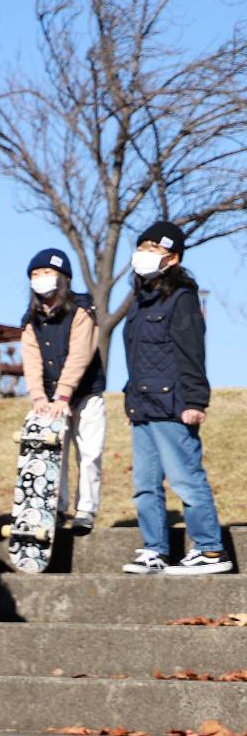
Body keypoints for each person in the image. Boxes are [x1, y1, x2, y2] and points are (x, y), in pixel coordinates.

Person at [120, 221, 230, 575]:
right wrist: (130, 400)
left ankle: (211, 549)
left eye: (154, 249)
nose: (144, 254)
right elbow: (136, 358)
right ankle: (155, 549)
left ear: (173, 257)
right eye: (142, 247)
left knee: (185, 479)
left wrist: (196, 402)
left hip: (173, 405)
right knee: (144, 486)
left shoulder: (182, 299)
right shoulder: (138, 303)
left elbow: (191, 353)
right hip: (143, 406)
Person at [19, 248, 105, 536]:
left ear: (64, 278)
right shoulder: (30, 319)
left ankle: (86, 509)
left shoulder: (82, 309)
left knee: (89, 453)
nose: (40, 279)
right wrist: (39, 397)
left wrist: (64, 394)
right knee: (52, 454)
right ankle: (55, 506)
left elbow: (81, 353)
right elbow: (31, 360)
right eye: (35, 274)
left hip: (86, 393)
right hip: (49, 397)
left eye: (46, 273)